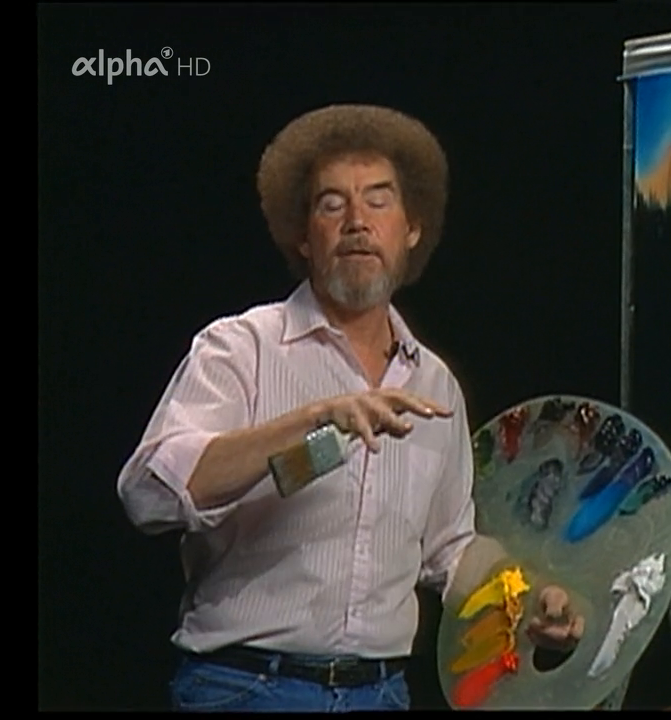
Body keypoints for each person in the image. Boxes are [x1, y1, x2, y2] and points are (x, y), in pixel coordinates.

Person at [117, 104, 584, 712]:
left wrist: (532, 594)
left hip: (380, 693)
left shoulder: (436, 385)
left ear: (411, 229)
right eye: (332, 204)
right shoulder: (241, 348)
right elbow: (147, 496)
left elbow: (449, 549)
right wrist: (313, 418)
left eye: (378, 201)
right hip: (247, 687)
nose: (357, 222)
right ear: (303, 236)